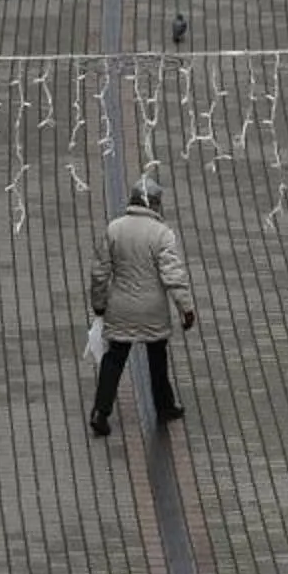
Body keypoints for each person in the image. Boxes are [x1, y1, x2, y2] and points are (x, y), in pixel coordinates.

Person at [88, 174, 194, 434]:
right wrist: (186, 308)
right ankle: (164, 405)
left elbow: (100, 272)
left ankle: (101, 412)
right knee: (157, 357)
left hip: (120, 306)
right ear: (156, 204)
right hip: (152, 310)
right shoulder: (162, 234)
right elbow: (173, 276)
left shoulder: (115, 228)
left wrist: (99, 304)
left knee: (114, 359)